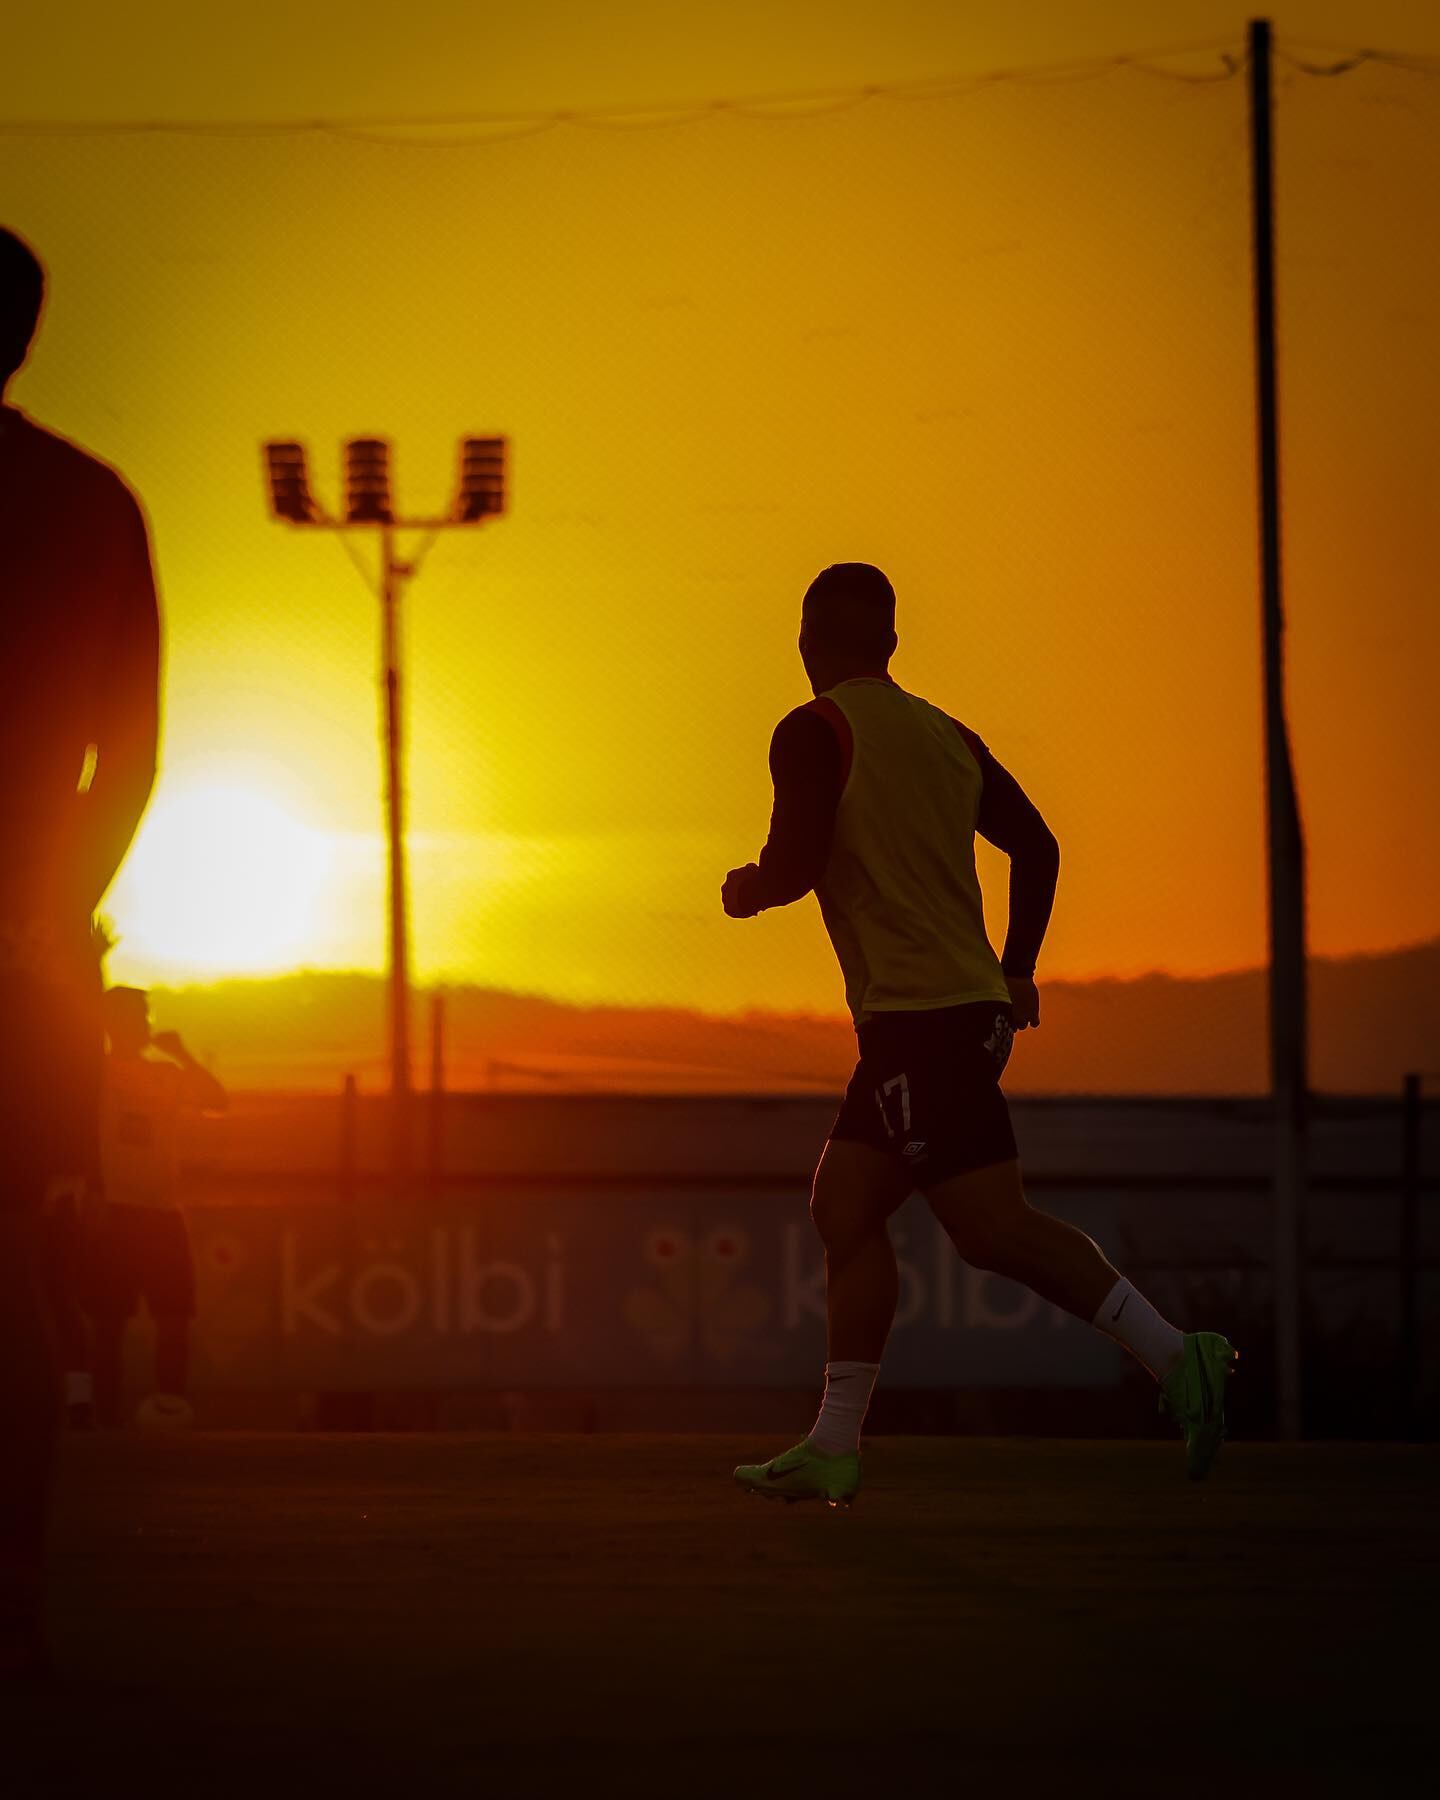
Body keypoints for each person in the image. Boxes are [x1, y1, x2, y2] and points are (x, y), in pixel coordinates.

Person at [723, 563, 1235, 1506]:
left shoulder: (812, 730)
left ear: (806, 644)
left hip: (923, 1023)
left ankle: (1176, 1357)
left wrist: (748, 886)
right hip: (948, 1017)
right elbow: (1037, 845)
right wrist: (1018, 968)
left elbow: (793, 867)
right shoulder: (946, 734)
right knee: (845, 1206)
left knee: (991, 1230)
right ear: (890, 645)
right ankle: (835, 1443)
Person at [0, 227, 161, 1676]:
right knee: (13, 1276)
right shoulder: (93, 504)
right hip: (28, 950)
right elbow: (137, 753)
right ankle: (18, 1577)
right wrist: (55, 908)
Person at [88, 988, 226, 1429]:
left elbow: (217, 1099)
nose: (145, 1025)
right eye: (136, 1017)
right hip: (115, 1212)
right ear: (114, 1023)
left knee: (174, 1318)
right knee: (107, 1325)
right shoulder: (95, 1073)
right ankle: (98, 1417)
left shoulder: (164, 1076)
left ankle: (168, 1410)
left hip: (163, 1214)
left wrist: (183, 1054)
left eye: (146, 1017)